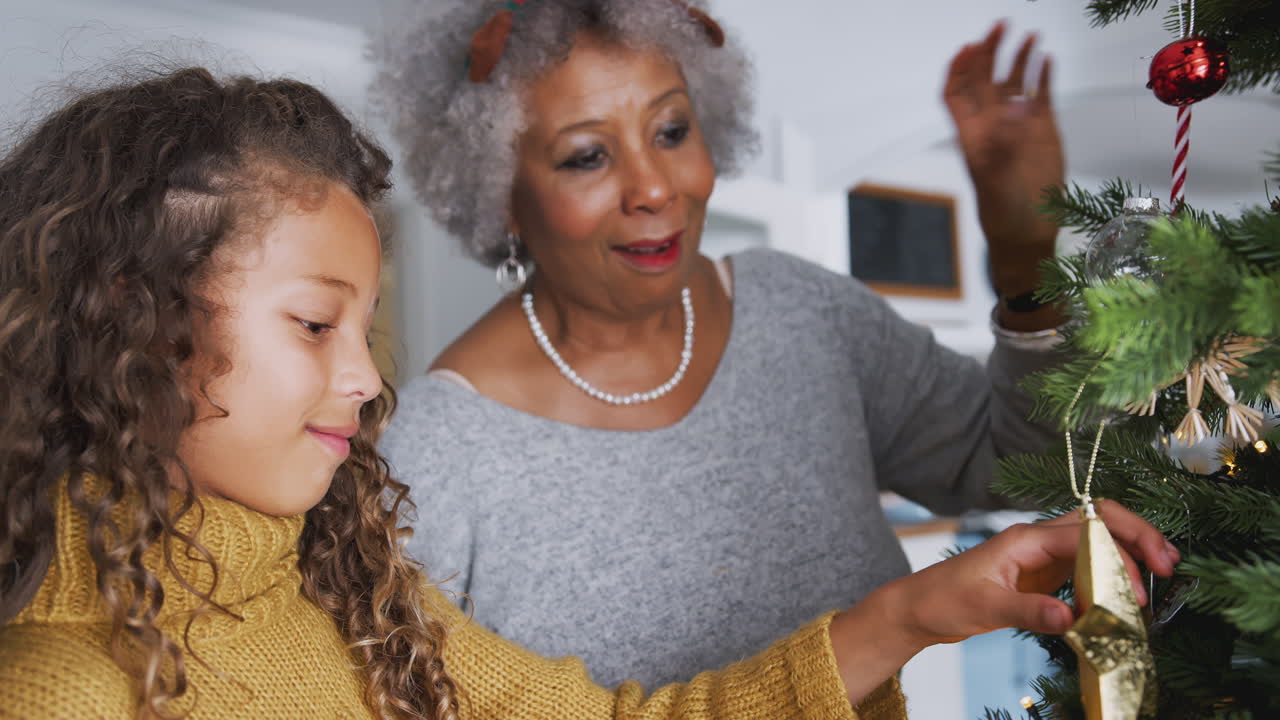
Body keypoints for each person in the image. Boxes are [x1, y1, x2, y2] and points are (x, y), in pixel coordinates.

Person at [0, 66, 1179, 720]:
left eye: (673, 129)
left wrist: (919, 612)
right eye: (314, 323)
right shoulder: (65, 685)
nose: (366, 378)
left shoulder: (342, 581)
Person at [374, 0, 1072, 690]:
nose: (654, 187)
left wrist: (1025, 258)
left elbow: (1030, 465)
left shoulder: (804, 313)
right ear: (500, 193)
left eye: (672, 130)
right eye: (587, 156)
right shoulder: (436, 452)